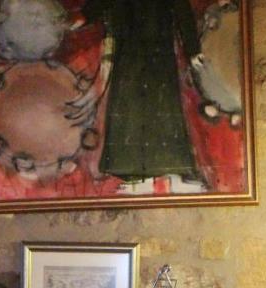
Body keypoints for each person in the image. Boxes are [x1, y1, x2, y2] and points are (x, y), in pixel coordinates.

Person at [70, 0, 207, 194]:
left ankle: (174, 169)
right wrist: (84, 16)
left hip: (159, 51)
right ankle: (132, 175)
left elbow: (182, 12)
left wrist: (193, 49)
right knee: (129, 110)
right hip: (128, 51)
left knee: (164, 110)